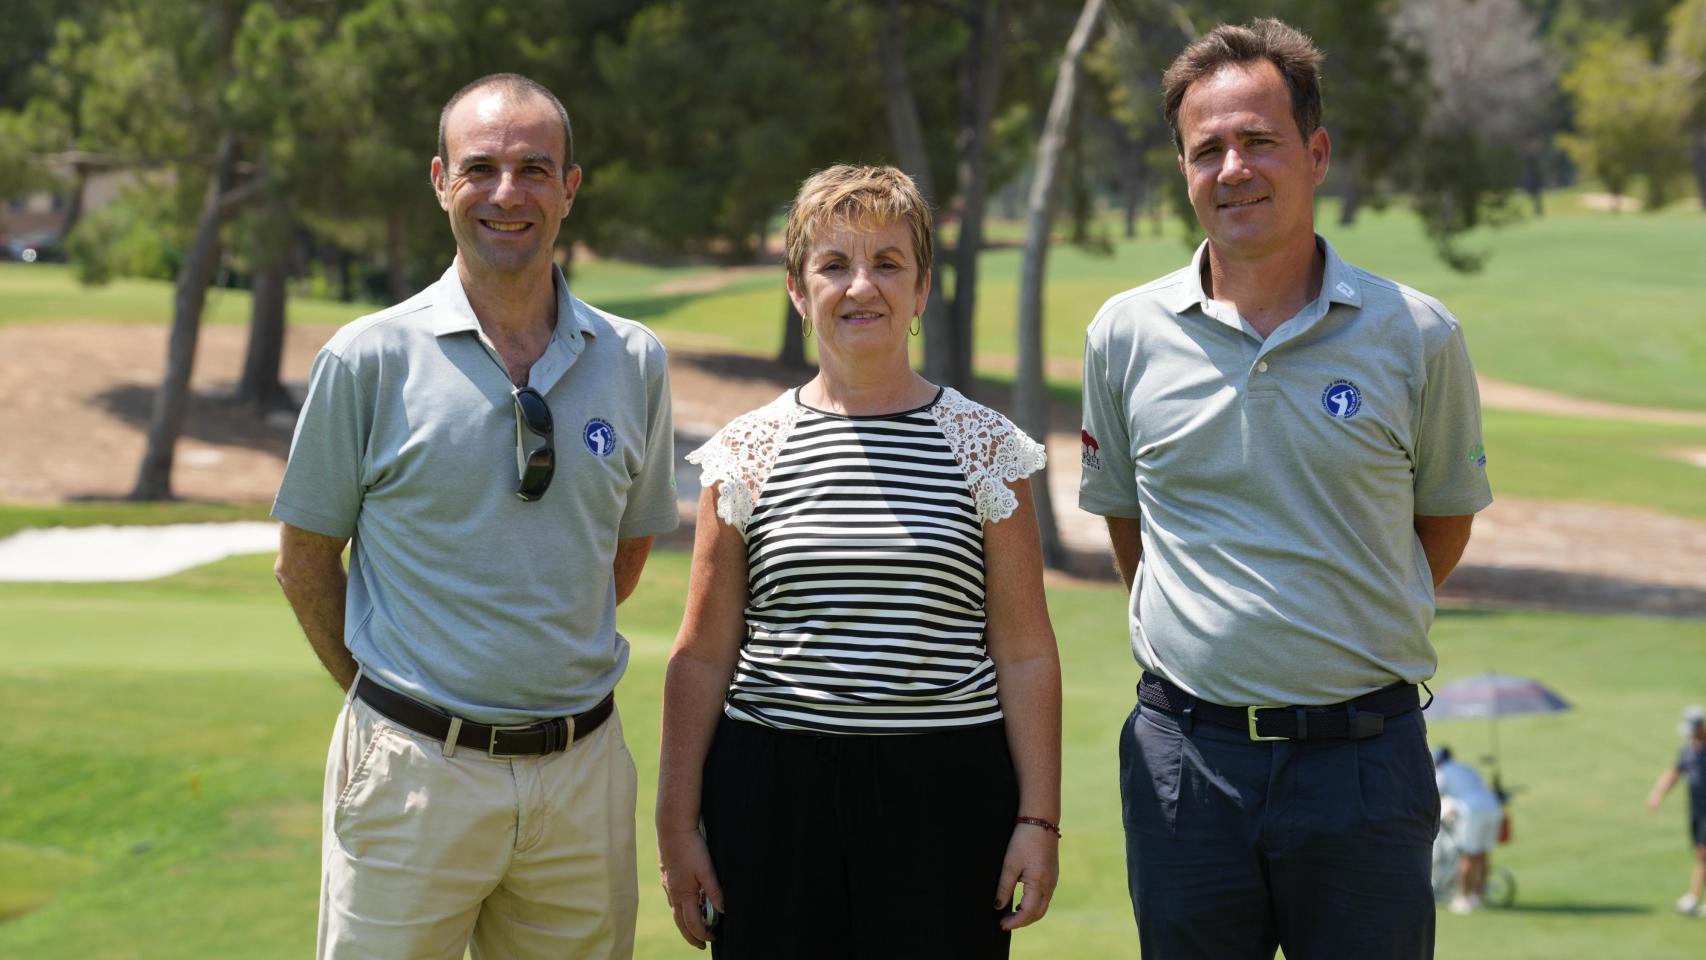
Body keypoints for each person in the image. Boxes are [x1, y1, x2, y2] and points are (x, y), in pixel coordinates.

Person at [1078, 18, 1494, 959]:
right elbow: (1131, 526)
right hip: (1187, 764)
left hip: (1364, 764)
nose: (1233, 169)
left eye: (1259, 141)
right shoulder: (1124, 334)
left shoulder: (1416, 334)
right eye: (1207, 149)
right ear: (1184, 170)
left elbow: (1442, 521)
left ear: (1316, 154)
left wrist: (1339, 621)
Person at [272, 73, 677, 959]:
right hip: (411, 777)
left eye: (534, 169)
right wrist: (391, 708)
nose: (506, 192)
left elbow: (621, 553)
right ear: (439, 181)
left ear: (570, 189)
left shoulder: (633, 359)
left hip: (582, 781)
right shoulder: (367, 357)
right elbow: (303, 562)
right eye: (480, 168)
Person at [654, 164, 1062, 958]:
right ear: (798, 291)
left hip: (946, 798)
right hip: (773, 798)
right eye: (834, 264)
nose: (861, 286)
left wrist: (1037, 820)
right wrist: (677, 826)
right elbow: (702, 654)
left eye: (888, 262)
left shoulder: (986, 448)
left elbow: (1024, 650)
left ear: (922, 289)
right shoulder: (747, 451)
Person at [1647, 705, 1706, 916]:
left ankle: (1694, 897)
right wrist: (1658, 794)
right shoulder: (1688, 750)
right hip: (1697, 810)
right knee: (1701, 854)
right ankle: (1694, 897)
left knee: (1704, 853)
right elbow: (1675, 773)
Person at [1433, 747, 1503, 913]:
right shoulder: (1467, 768)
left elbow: (1435, 794)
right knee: (1482, 854)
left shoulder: (1442, 773)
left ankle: (1464, 898)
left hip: (1472, 812)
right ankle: (1478, 896)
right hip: (1493, 808)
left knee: (1467, 856)